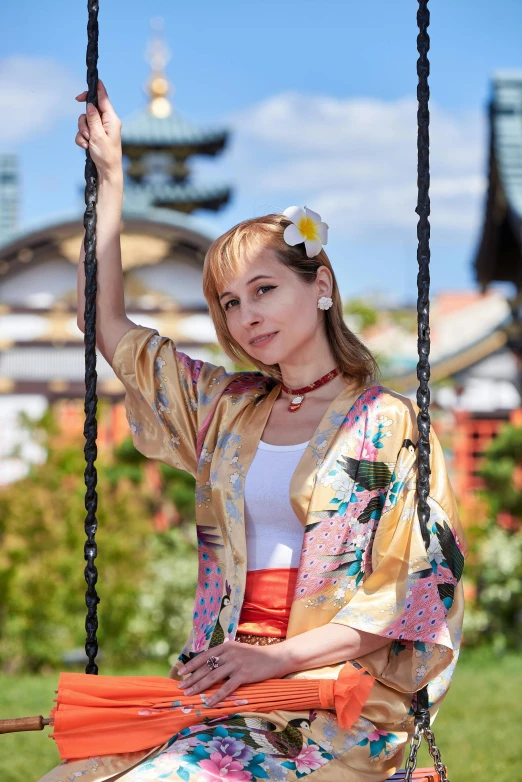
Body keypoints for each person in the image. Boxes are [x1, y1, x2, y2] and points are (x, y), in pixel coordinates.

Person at [39, 80, 468, 782]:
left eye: (265, 290)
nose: (247, 317)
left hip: (331, 701)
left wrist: (275, 658)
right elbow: (106, 323)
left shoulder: (391, 425)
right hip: (221, 683)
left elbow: (419, 589)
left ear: (320, 284)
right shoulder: (226, 409)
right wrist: (111, 175)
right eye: (230, 304)